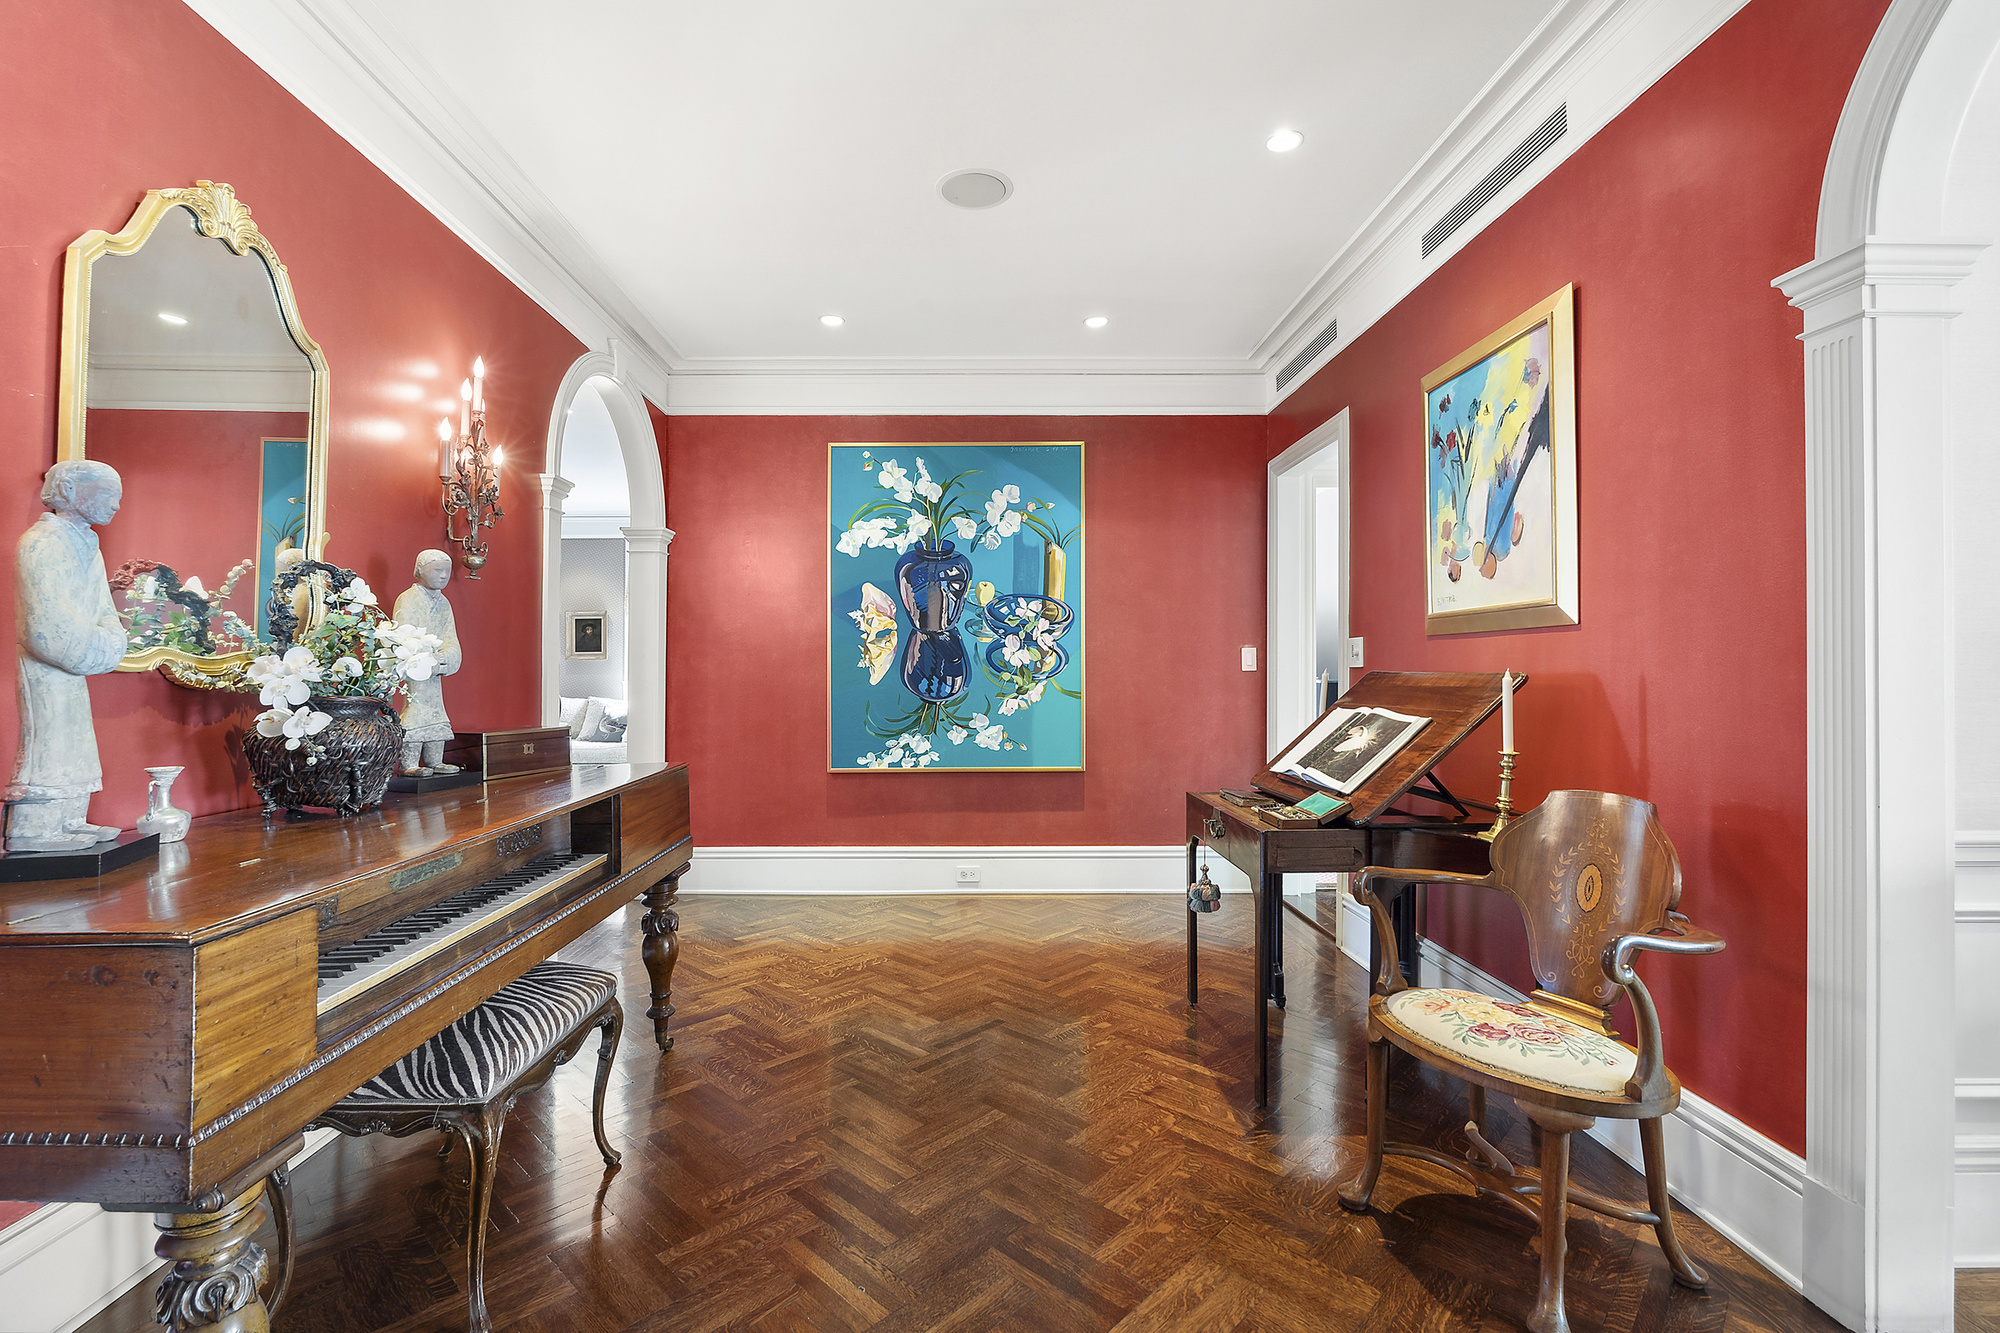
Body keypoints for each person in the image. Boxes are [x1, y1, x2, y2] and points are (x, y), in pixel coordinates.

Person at [4, 460, 127, 851]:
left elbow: (103, 610)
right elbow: (46, 624)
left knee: (73, 739)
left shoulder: (86, 542)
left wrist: (110, 641)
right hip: (50, 666)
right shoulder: (42, 543)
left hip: (74, 663)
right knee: (49, 740)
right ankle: (33, 828)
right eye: (109, 495)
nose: (116, 506)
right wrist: (99, 646)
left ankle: (69, 819)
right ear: (71, 491)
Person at [394, 549, 464, 776]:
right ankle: (409, 765)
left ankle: (435, 761)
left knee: (436, 710)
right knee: (416, 709)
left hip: (435, 669)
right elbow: (404, 637)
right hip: (416, 669)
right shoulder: (407, 599)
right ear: (420, 570)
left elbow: (450, 638)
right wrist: (423, 659)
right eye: (437, 570)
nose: (444, 575)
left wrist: (446, 657)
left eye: (447, 570)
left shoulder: (444, 603)